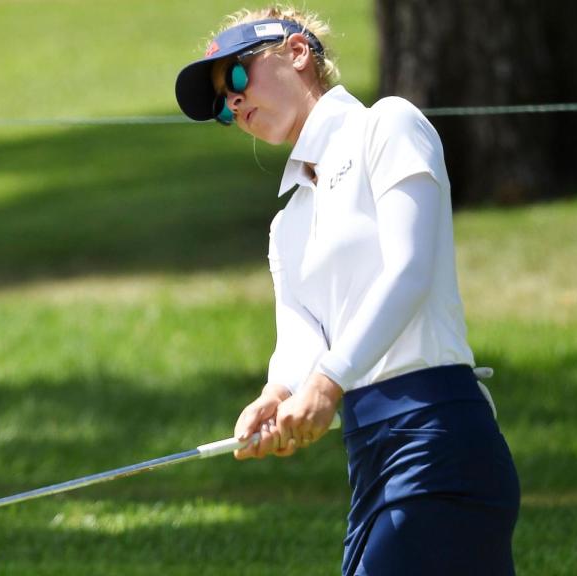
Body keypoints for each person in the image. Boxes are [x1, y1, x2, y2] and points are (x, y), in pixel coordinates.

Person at [175, 6, 519, 575]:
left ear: (298, 53)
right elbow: (301, 338)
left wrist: (328, 381)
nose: (233, 102)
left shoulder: (388, 125)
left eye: (237, 77)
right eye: (221, 105)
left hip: (438, 436)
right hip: (370, 453)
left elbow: (407, 268)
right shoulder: (286, 224)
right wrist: (276, 393)